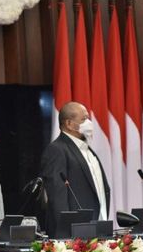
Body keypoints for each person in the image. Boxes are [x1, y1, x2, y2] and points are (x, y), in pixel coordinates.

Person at [40, 102, 111, 238]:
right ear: (69, 124)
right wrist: (66, 236)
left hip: (97, 228)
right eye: (84, 119)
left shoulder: (87, 150)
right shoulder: (57, 150)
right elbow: (57, 196)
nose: (89, 123)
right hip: (74, 235)